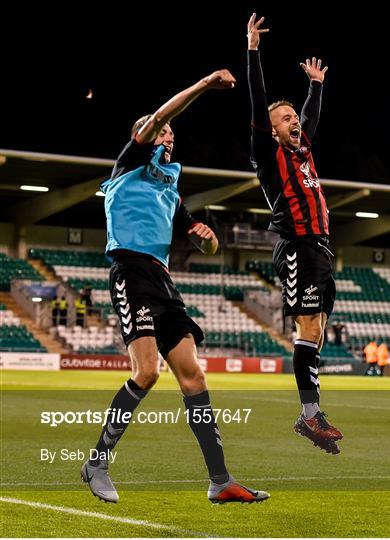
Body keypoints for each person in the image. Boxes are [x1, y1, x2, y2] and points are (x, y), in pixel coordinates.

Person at [81, 69, 269, 505]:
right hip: (130, 272)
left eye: (172, 131)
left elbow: (202, 236)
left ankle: (220, 480)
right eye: (162, 129)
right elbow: (165, 111)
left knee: (194, 375)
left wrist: (209, 239)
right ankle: (97, 462)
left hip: (162, 281)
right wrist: (204, 85)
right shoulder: (130, 160)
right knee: (147, 372)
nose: (169, 133)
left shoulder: (170, 189)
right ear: (143, 135)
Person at [247, 13, 342, 455]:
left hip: (321, 249)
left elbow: (311, 117)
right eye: (284, 118)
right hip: (297, 247)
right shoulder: (268, 156)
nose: (293, 122)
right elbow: (258, 102)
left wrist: (316, 86)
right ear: (272, 129)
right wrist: (253, 51)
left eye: (292, 117)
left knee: (316, 330)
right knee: (307, 326)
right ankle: (309, 416)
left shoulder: (303, 151)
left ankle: (311, 414)